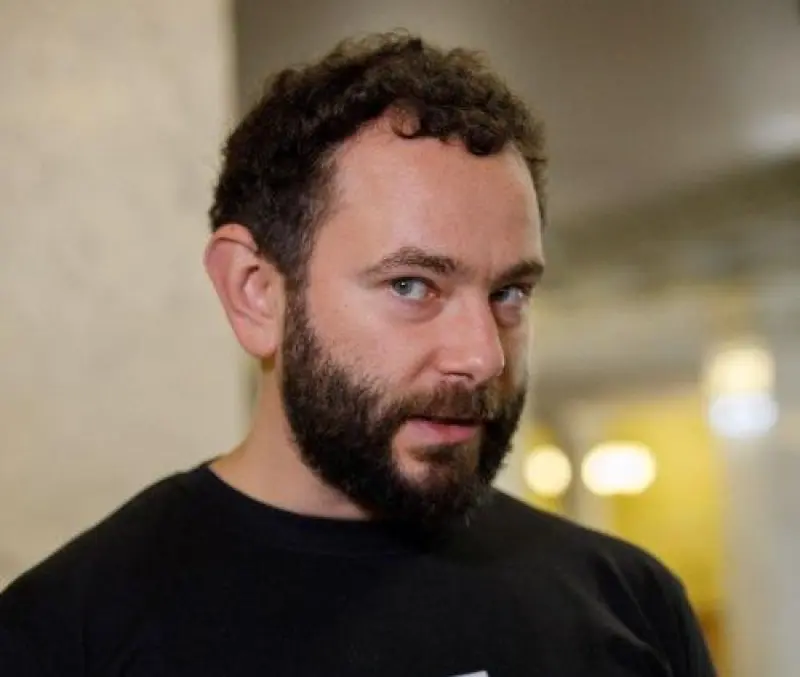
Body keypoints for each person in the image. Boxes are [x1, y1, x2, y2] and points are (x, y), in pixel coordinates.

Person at [0, 32, 716, 676]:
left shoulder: (631, 605)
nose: (483, 357)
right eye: (412, 285)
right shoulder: (65, 636)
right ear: (256, 292)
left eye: (509, 293)